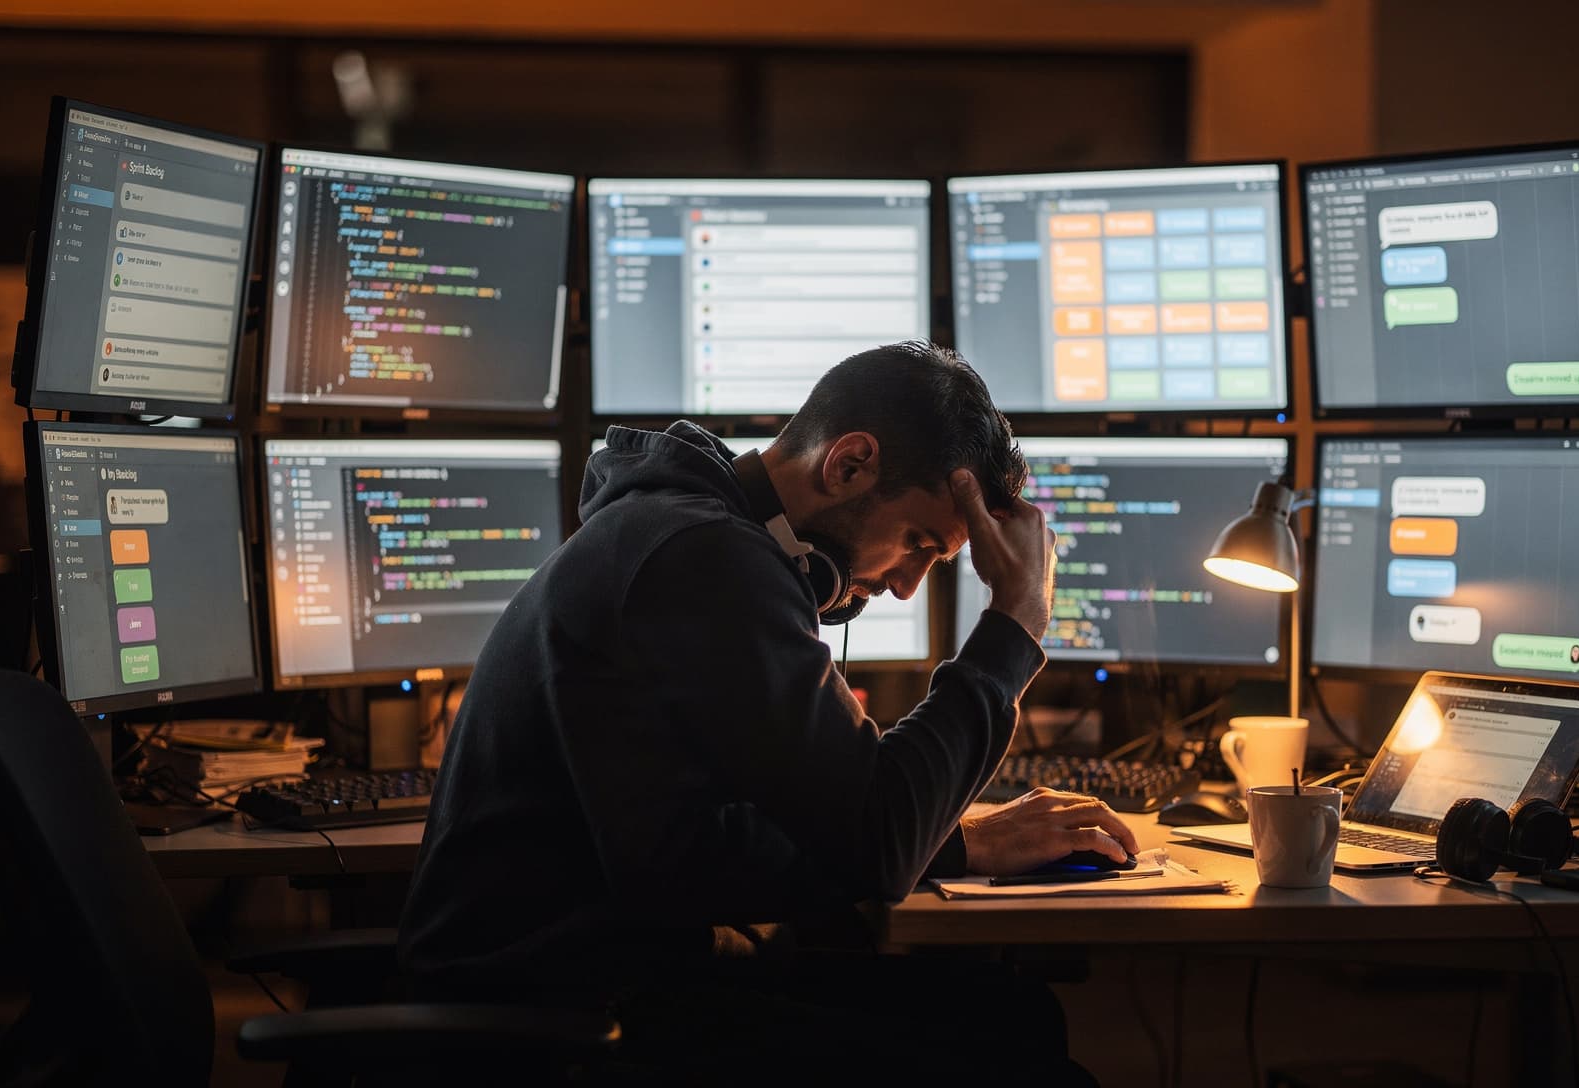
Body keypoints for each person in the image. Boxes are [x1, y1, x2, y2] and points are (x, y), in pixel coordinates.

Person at [401, 340, 1132, 1083]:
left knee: (1015, 1015)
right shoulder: (704, 557)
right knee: (1029, 1066)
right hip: (558, 1015)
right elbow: (877, 841)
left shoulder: (690, 530)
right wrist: (1014, 623)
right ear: (848, 465)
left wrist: (952, 840)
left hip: (607, 971)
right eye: (916, 543)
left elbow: (719, 836)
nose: (907, 586)